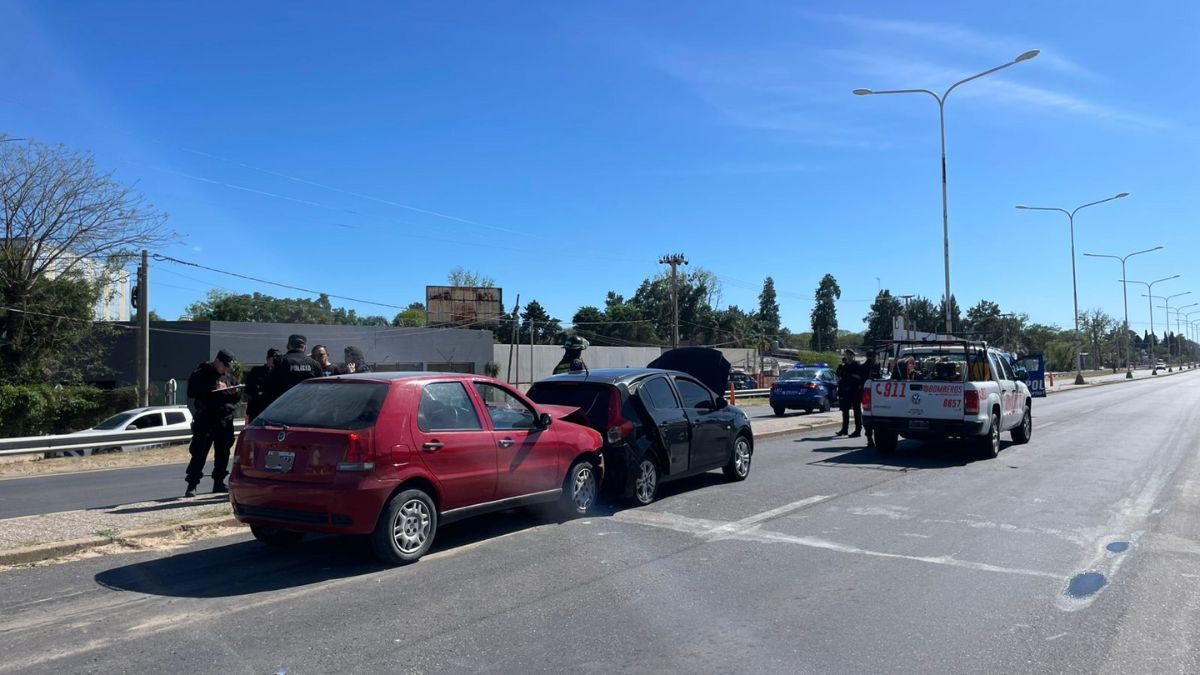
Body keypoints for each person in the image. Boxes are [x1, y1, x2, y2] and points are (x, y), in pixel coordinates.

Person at [184, 349, 241, 497]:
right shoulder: (201, 373)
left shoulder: (228, 376)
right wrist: (213, 388)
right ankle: (192, 484)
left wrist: (234, 392)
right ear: (218, 361)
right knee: (199, 452)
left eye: (228, 367)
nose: (226, 369)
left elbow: (236, 397)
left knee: (223, 452)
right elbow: (191, 392)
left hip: (224, 419)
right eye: (224, 366)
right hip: (206, 419)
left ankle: (219, 482)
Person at [268, 334, 325, 402]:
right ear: (305, 347)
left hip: (285, 404)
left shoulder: (280, 361)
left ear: (288, 346)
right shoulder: (314, 364)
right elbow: (320, 388)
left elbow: (271, 386)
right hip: (307, 404)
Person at [243, 347, 280, 423]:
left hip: (272, 412)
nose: (275, 361)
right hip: (257, 411)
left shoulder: (279, 374)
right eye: (273, 359)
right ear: (267, 359)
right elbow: (248, 390)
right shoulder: (256, 371)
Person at [835, 349, 863, 438]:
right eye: (846, 355)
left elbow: (860, 377)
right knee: (845, 411)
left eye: (848, 355)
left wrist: (850, 375)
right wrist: (839, 371)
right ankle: (844, 429)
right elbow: (840, 376)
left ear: (852, 355)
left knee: (856, 411)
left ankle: (858, 430)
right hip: (846, 391)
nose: (846, 357)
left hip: (855, 391)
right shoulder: (845, 366)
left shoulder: (857, 365)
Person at [861, 352, 881, 448]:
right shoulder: (874, 366)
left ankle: (869, 438)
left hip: (867, 393)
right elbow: (879, 378)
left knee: (868, 414)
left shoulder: (863, 366)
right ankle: (870, 437)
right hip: (875, 393)